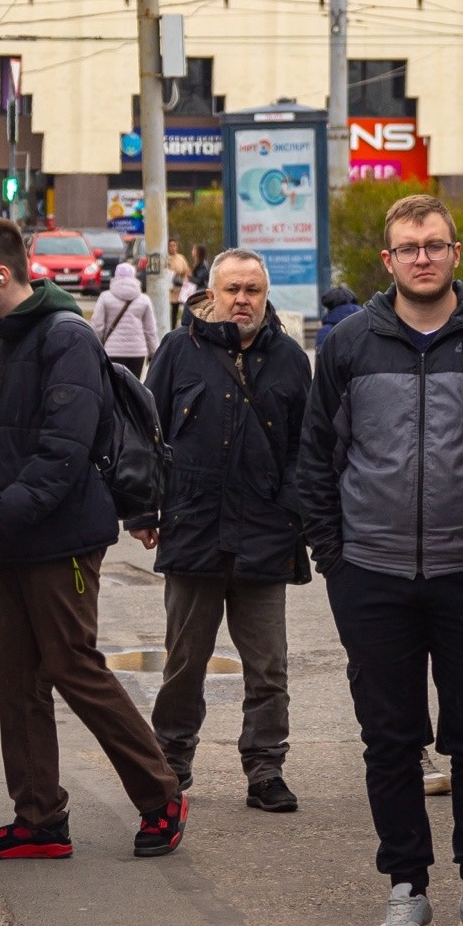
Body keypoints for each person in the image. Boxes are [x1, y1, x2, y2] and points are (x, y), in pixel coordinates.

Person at [294, 193, 463, 926]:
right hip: (372, 576)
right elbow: (316, 460)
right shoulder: (348, 347)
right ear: (388, 259)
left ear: (455, 253)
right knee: (389, 738)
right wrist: (334, 561)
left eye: (434, 245)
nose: (422, 258)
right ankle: (407, 887)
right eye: (408, 247)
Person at [0, 218, 186, 863]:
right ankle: (39, 819)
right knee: (16, 678)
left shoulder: (64, 337)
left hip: (60, 542)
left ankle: (161, 794)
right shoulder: (18, 336)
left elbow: (62, 453)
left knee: (73, 667)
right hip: (24, 539)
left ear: (1, 274)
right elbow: (3, 451)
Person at [136, 248, 310, 817]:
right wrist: (143, 509)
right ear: (210, 293)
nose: (242, 300)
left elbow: (306, 451)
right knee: (185, 663)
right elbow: (144, 433)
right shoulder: (175, 352)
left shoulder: (289, 358)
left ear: (265, 294)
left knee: (268, 668)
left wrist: (292, 513)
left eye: (253, 290)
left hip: (265, 536)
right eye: (232, 288)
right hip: (194, 533)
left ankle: (266, 771)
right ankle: (170, 766)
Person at [92, 259, 159, 379]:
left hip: (112, 352)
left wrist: (96, 347)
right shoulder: (144, 299)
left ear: (116, 276)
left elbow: (97, 326)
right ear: (134, 277)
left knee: (113, 389)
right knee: (133, 389)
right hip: (137, 352)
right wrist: (154, 352)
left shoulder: (105, 297)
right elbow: (150, 330)